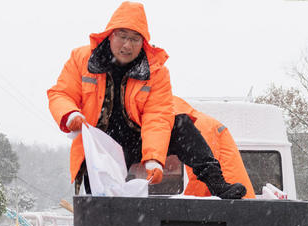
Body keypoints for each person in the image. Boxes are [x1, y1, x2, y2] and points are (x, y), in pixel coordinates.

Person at [47, 1, 246, 199]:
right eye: (122, 36)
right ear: (110, 35)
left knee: (181, 124)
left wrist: (154, 158)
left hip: (138, 137)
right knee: (102, 198)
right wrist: (70, 114)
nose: (127, 45)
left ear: (143, 42)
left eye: (135, 39)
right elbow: (61, 93)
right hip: (102, 142)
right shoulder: (82, 59)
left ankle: (218, 183)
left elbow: (157, 117)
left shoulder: (156, 71)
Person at [173, 96, 256, 199]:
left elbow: (203, 177)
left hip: (232, 201)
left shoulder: (196, 126)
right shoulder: (197, 122)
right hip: (228, 200)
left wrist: (186, 208)